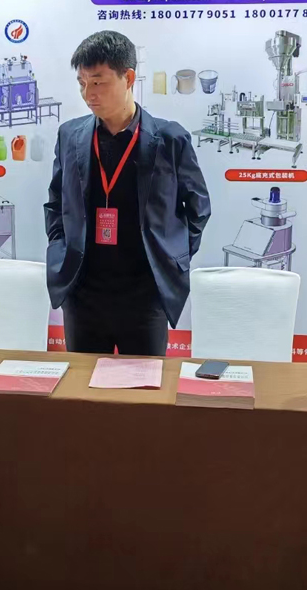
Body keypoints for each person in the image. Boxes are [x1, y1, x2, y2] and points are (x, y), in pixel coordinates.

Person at [45, 31, 211, 355]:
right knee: (82, 384)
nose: (88, 94)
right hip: (83, 294)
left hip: (145, 296)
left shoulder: (170, 138)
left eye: (98, 82)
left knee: (145, 384)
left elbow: (198, 207)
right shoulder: (70, 135)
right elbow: (55, 202)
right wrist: (60, 245)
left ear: (129, 78)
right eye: (82, 83)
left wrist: (172, 256)